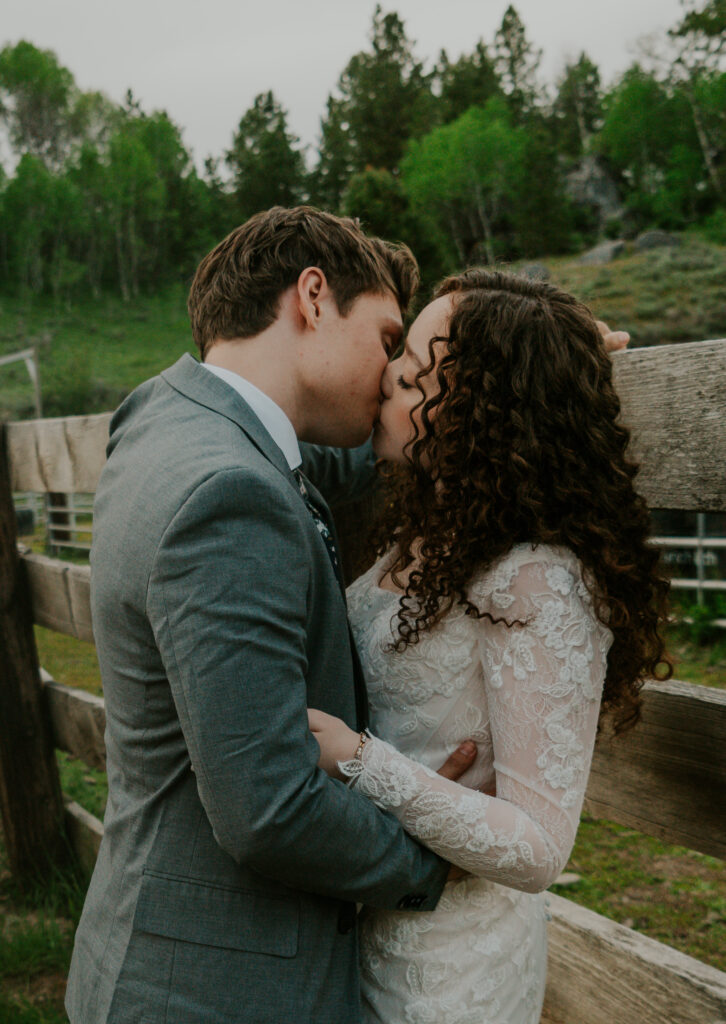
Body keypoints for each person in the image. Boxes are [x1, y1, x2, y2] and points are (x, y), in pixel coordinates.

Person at [66, 207, 481, 1024]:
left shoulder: (165, 417)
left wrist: (528, 371)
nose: (394, 370)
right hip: (217, 994)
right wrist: (439, 851)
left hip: (149, 954)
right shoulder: (230, 495)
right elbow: (272, 810)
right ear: (314, 296)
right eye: (388, 337)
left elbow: (346, 457)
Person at [309, 268, 671, 1024]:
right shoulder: (425, 527)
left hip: (448, 968)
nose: (385, 388)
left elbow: (540, 845)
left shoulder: (537, 581)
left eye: (411, 380)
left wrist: (359, 761)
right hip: (365, 920)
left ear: (479, 413)